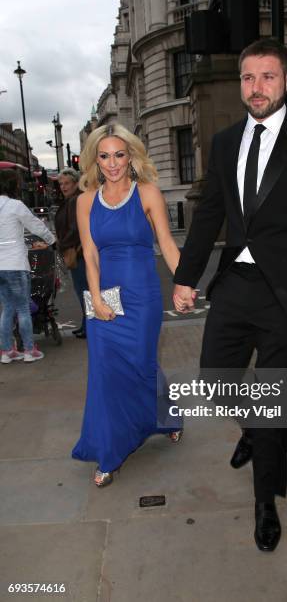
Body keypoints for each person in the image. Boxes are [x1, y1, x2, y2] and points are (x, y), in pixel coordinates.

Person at [173, 38, 287, 552]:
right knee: (214, 381)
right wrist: (186, 276)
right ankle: (254, 428)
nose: (256, 87)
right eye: (248, 78)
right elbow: (209, 213)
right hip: (237, 285)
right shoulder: (226, 141)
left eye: (268, 77)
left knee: (271, 404)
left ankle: (264, 501)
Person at [71, 123, 182, 487]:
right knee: (105, 374)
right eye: (104, 156)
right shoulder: (85, 200)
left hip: (143, 295)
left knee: (141, 365)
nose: (113, 163)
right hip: (103, 296)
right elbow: (89, 253)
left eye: (119, 154)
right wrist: (97, 298)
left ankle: (165, 417)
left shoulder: (147, 192)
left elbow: (166, 243)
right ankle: (110, 451)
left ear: (130, 155)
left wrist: (185, 282)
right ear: (95, 160)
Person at [0, 189, 56, 363]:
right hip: (15, 263)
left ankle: (7, 351)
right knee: (23, 308)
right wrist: (51, 240)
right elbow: (35, 224)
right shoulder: (15, 206)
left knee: (7, 308)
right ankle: (29, 350)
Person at [54, 168, 88, 338]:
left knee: (84, 291)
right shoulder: (70, 200)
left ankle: (90, 327)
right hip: (76, 251)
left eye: (67, 183)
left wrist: (61, 244)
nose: (63, 186)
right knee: (82, 290)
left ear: (76, 183)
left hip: (79, 252)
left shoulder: (75, 200)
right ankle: (86, 325)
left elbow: (75, 229)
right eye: (61, 184)